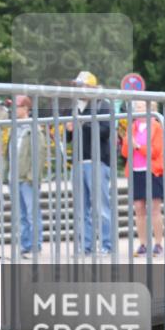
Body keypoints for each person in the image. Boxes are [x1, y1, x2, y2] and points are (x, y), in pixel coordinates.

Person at [66, 71, 115, 255]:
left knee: (102, 207)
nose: (78, 89)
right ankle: (85, 246)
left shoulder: (103, 105)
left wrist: (81, 122)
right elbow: (68, 137)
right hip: (78, 162)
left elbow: (105, 130)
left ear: (92, 87)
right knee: (80, 209)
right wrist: (69, 129)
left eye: (82, 85)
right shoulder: (76, 107)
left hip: (97, 162)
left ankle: (107, 245)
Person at [1, 96, 50, 259]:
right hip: (14, 178)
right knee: (21, 214)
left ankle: (35, 245)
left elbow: (40, 154)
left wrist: (32, 176)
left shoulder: (33, 128)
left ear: (26, 109)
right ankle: (25, 245)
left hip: (27, 179)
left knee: (32, 213)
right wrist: (5, 174)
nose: (13, 110)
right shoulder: (15, 128)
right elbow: (9, 153)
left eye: (17, 107)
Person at [121, 100, 165, 257]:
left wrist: (138, 147)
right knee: (139, 209)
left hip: (153, 171)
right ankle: (143, 244)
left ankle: (158, 244)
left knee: (154, 209)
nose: (137, 109)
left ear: (149, 109)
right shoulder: (132, 127)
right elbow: (125, 152)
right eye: (136, 107)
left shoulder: (156, 126)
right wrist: (129, 145)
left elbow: (156, 151)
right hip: (135, 171)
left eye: (140, 107)